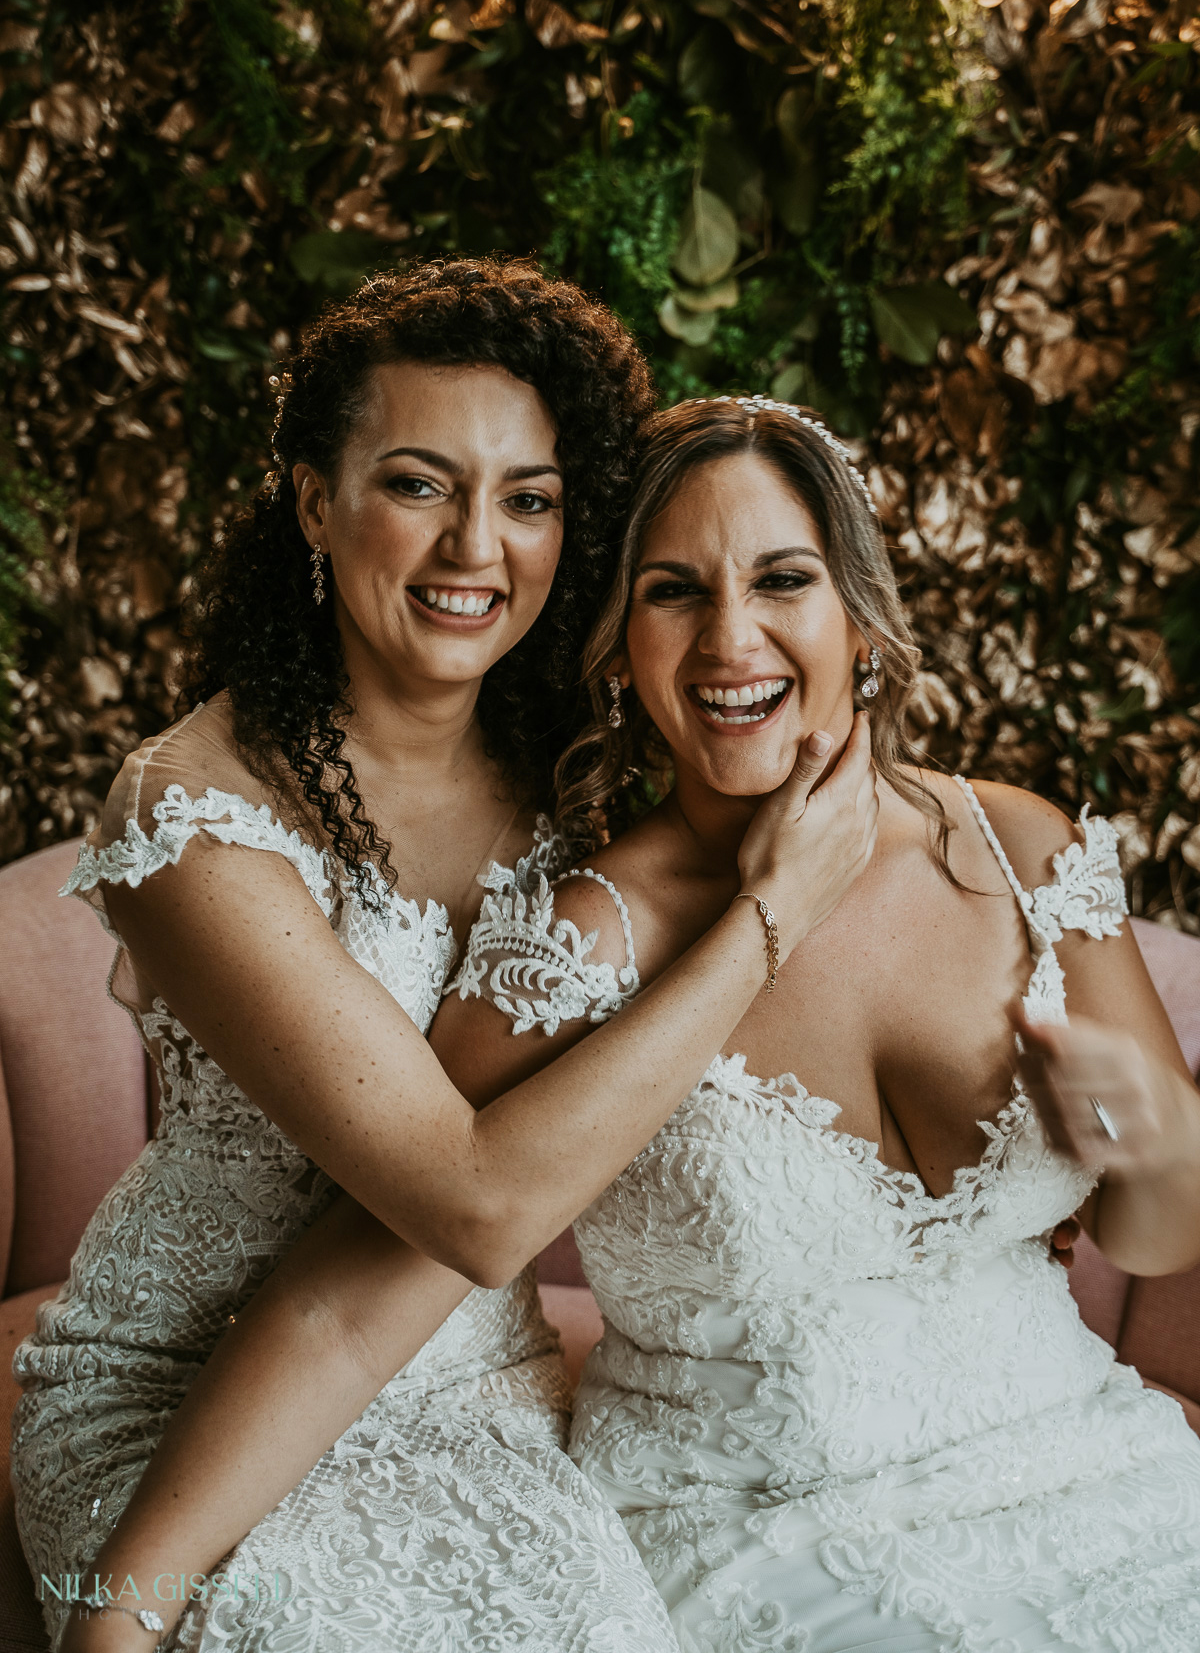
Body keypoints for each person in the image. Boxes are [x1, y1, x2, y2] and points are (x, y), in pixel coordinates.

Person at [52, 386, 1200, 1651]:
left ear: (859, 614)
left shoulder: (1017, 849)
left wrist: (1151, 1145)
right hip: (769, 1540)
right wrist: (129, 1596)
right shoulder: (580, 942)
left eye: (782, 580)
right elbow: (366, 1286)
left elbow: (1156, 1235)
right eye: (672, 591)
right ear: (616, 644)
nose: (731, 640)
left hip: (1092, 1474)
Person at [18, 275, 877, 1653]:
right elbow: (473, 1211)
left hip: (473, 1386)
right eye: (419, 485)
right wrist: (766, 924)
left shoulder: (583, 782)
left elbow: (793, 716)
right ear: (314, 502)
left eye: (530, 499)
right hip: (182, 1401)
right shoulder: (194, 812)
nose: (477, 546)